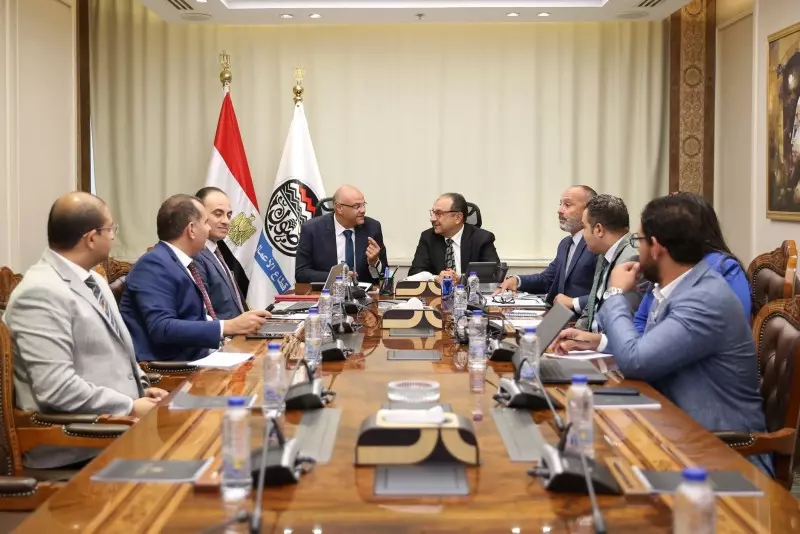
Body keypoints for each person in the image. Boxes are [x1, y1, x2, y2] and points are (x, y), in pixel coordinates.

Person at [553, 194, 771, 474]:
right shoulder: (675, 287)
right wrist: (600, 342)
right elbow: (649, 346)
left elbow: (637, 361)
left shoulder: (704, 299)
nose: (637, 249)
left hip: (721, 456)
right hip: (672, 430)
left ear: (655, 247)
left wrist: (615, 293)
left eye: (639, 241)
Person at [3, 192, 167, 469]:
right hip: (79, 443)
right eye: (111, 229)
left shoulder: (94, 280)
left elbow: (114, 354)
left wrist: (143, 389)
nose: (113, 236)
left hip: (120, 427)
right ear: (91, 238)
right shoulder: (41, 292)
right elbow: (57, 389)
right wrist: (128, 405)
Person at [120, 194, 270, 362]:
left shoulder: (181, 262)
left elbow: (194, 317)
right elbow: (162, 328)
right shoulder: (154, 264)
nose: (208, 229)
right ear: (191, 229)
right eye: (205, 222)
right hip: (174, 367)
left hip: (201, 355)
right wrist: (228, 326)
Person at [632, 192, 750, 333]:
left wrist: (615, 294)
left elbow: (735, 326)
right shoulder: (668, 266)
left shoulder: (726, 268)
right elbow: (641, 320)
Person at [494, 186, 597, 307]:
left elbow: (606, 295)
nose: (559, 210)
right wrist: (517, 280)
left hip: (581, 317)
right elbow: (547, 279)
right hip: (558, 314)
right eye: (560, 204)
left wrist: (574, 303)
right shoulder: (565, 243)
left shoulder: (597, 245)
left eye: (567, 205)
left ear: (588, 210)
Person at [574, 194, 642, 331]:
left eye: (584, 227)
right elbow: (592, 305)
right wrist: (575, 333)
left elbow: (623, 322)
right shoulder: (603, 254)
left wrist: (592, 340)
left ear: (598, 230)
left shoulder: (631, 259)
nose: (582, 234)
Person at [295, 185, 388, 283]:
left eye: (363, 205)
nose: (363, 210)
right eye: (357, 206)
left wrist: (374, 263)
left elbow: (384, 277)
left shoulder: (372, 228)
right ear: (339, 208)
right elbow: (301, 274)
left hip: (363, 291)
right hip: (326, 291)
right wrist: (336, 276)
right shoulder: (312, 229)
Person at [409, 192, 500, 282]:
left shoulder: (482, 238)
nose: (432, 218)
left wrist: (461, 279)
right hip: (439, 292)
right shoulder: (428, 237)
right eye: (433, 213)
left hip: (470, 291)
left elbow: (495, 274)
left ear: (458, 217)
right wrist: (435, 278)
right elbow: (414, 274)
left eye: (439, 213)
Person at [192, 187, 248, 320]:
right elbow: (202, 314)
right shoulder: (194, 255)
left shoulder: (217, 252)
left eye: (228, 215)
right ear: (198, 215)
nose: (226, 221)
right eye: (218, 214)